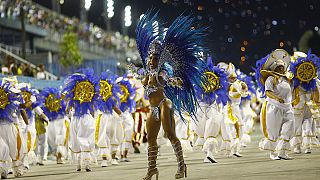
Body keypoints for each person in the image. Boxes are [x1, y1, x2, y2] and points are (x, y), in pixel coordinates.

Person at [136, 11, 208, 179]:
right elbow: (145, 83)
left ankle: (182, 166)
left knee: (170, 134)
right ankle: (152, 169)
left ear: (160, 59)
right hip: (152, 108)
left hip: (164, 104)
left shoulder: (162, 71)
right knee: (151, 139)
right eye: (150, 57)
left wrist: (173, 81)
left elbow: (166, 79)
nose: (152, 60)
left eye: (155, 58)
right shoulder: (147, 73)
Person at [255, 49, 294, 160]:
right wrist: (277, 98)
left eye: (283, 67)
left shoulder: (286, 79)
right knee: (274, 130)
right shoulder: (270, 79)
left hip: (287, 107)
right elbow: (268, 92)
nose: (282, 69)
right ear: (275, 68)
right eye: (279, 67)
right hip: (274, 107)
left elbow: (291, 91)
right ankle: (273, 153)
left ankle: (282, 152)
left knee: (289, 127)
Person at [63, 68, 100, 172]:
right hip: (87, 119)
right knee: (87, 140)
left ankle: (78, 164)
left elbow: (67, 110)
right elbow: (93, 109)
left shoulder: (71, 97)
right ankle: (87, 164)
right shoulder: (91, 95)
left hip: (75, 119)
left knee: (76, 141)